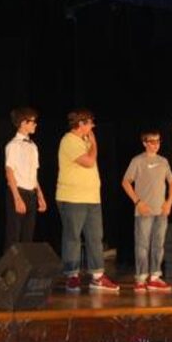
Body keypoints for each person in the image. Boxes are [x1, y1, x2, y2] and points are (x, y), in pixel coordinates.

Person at [56, 108, 120, 293]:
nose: (93, 126)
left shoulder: (84, 141)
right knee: (72, 238)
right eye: (90, 122)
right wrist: (94, 143)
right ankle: (72, 275)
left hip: (92, 198)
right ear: (81, 124)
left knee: (95, 238)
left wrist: (90, 142)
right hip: (72, 197)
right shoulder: (69, 140)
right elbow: (89, 161)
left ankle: (97, 276)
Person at [121, 130, 172, 293]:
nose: (155, 145)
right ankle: (140, 278)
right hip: (144, 211)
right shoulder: (137, 161)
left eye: (158, 141)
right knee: (142, 245)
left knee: (158, 245)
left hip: (161, 210)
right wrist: (138, 202)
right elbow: (125, 182)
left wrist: (169, 202)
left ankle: (154, 278)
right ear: (144, 143)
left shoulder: (163, 161)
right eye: (152, 142)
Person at [4, 107, 47, 250]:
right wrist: (17, 198)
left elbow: (34, 173)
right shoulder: (13, 145)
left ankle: (24, 271)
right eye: (32, 122)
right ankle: (10, 270)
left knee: (28, 235)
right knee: (14, 235)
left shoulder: (33, 146)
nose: (35, 125)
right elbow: (9, 172)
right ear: (23, 123)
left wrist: (39, 195)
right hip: (18, 191)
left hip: (30, 193)